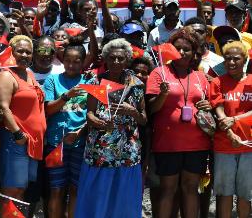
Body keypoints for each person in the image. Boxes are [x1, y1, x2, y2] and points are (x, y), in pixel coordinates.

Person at [75, 39, 146, 218]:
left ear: (127, 60)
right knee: (98, 197)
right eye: (112, 58)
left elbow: (144, 120)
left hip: (127, 152)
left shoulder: (136, 83)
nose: (116, 62)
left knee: (124, 199)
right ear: (105, 59)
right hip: (100, 151)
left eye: (120, 59)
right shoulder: (96, 81)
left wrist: (133, 112)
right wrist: (100, 123)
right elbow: (89, 115)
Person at [146, 28, 212, 218]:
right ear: (170, 50)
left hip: (197, 143)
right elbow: (152, 109)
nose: (182, 52)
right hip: (168, 143)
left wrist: (208, 104)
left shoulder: (200, 76)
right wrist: (163, 94)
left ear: (194, 53)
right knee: (168, 189)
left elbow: (210, 105)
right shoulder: (159, 73)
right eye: (178, 48)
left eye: (187, 49)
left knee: (191, 189)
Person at [0, 35, 46, 209]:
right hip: (15, 140)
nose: (24, 55)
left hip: (32, 143)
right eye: (20, 51)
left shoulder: (29, 74)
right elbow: (3, 106)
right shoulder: (6, 75)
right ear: (11, 52)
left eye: (28, 52)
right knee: (11, 191)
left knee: (20, 191)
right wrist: (17, 133)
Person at [42, 44, 92, 218]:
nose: (71, 65)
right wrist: (66, 96)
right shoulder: (52, 80)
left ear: (83, 62)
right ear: (62, 61)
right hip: (56, 143)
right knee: (57, 190)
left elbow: (93, 113)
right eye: (68, 61)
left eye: (76, 61)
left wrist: (81, 131)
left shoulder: (90, 82)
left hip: (81, 143)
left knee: (76, 189)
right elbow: (48, 110)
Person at [209, 41, 252, 218]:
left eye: (236, 59)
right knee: (224, 193)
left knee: (245, 194)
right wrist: (230, 132)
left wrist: (234, 119)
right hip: (224, 146)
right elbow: (218, 110)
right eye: (227, 59)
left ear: (245, 60)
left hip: (249, 146)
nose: (231, 62)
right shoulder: (217, 82)